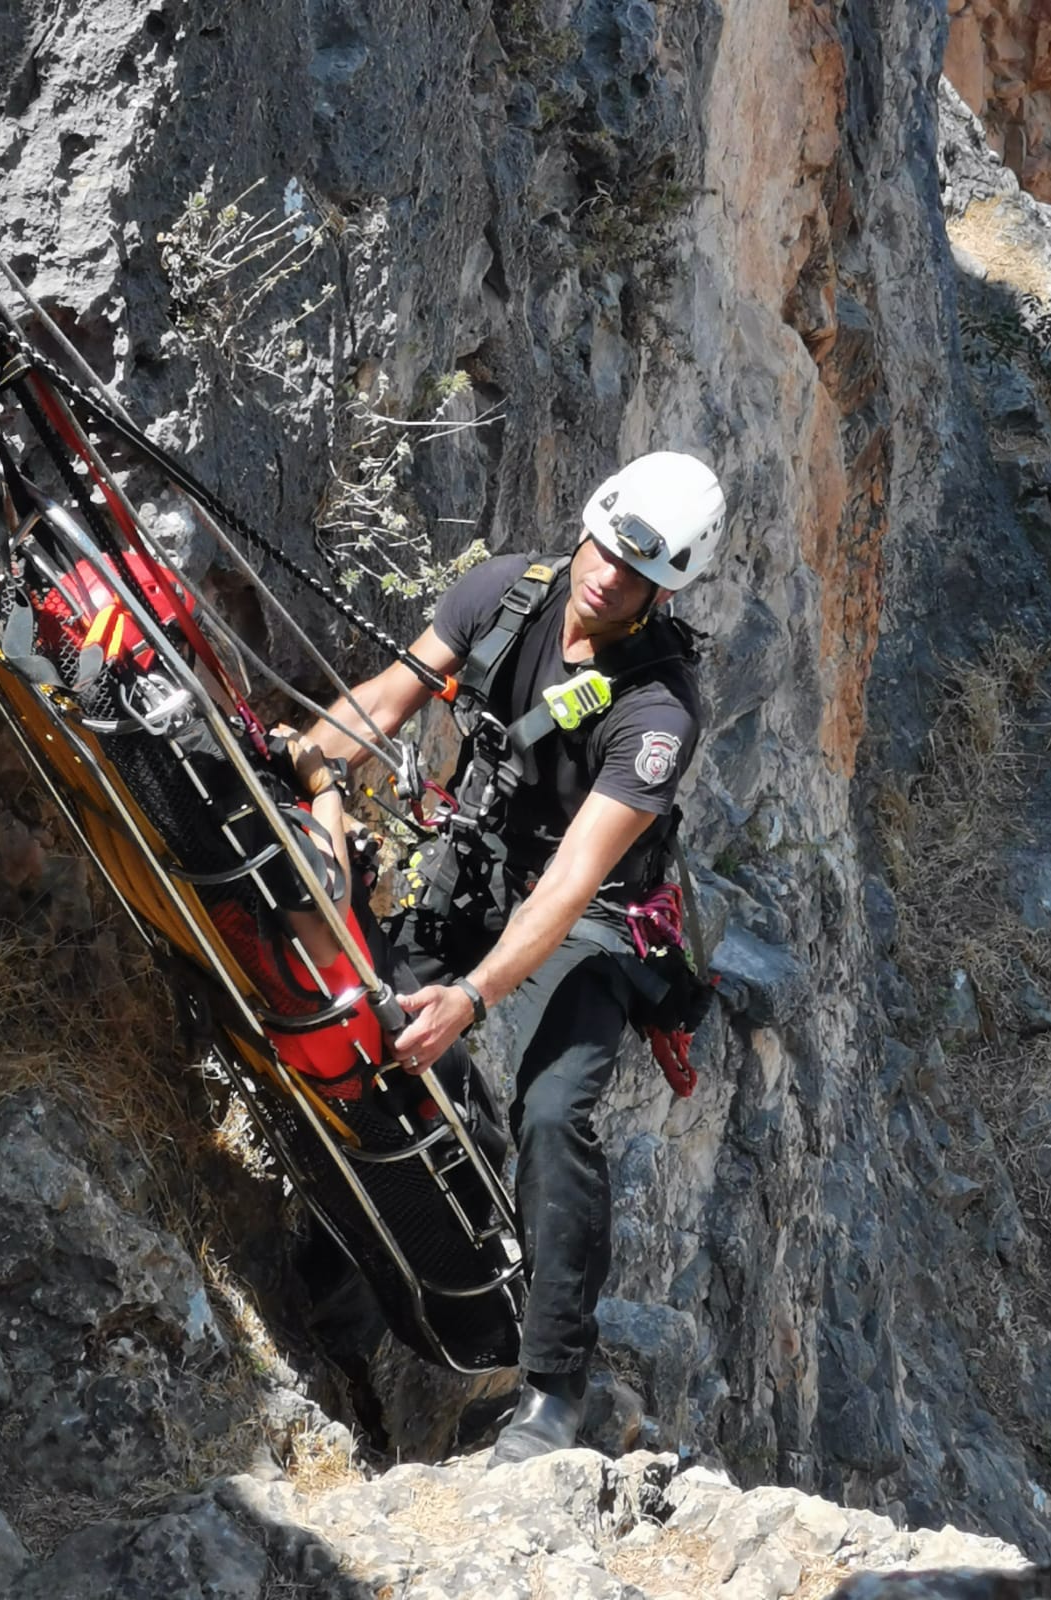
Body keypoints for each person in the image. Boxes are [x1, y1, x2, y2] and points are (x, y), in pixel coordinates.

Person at [306, 450, 726, 1463]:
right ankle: (348, 1264)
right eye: (607, 551)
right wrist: (316, 763)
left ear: (665, 588)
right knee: (365, 1026)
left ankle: (555, 1386)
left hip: (592, 923)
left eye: (640, 575)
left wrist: (475, 993)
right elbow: (386, 699)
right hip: (479, 871)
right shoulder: (504, 594)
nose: (608, 578)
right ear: (590, 519)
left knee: (553, 1108)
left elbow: (576, 880)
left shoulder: (658, 712)